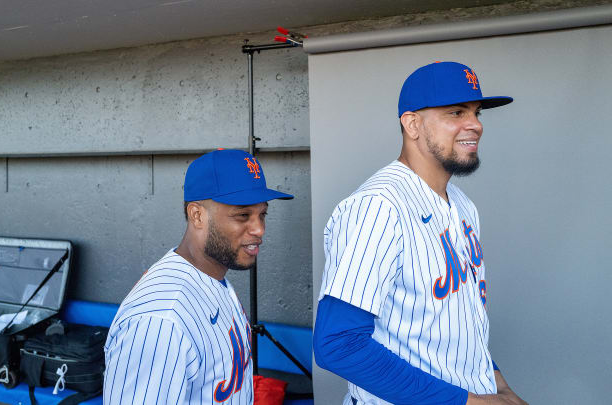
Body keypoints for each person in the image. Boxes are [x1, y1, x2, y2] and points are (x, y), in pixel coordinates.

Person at [314, 61, 527, 405]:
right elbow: (337, 344)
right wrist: (470, 403)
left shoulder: (462, 203)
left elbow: (455, 322)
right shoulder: (378, 207)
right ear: (412, 124)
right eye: (456, 112)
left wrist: (499, 387)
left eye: (476, 112)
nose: (474, 124)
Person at [104, 149, 293, 404]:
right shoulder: (162, 320)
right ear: (197, 215)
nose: (259, 229)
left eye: (262, 214)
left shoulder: (213, 278)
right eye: (243, 215)